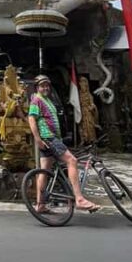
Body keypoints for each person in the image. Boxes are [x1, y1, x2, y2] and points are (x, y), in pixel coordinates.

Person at [28, 74, 99, 213]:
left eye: (47, 85)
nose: (45, 88)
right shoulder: (36, 100)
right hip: (49, 138)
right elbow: (31, 119)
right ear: (37, 88)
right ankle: (79, 199)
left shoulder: (46, 100)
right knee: (72, 160)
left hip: (50, 139)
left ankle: (40, 204)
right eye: (42, 86)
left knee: (45, 172)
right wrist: (37, 139)